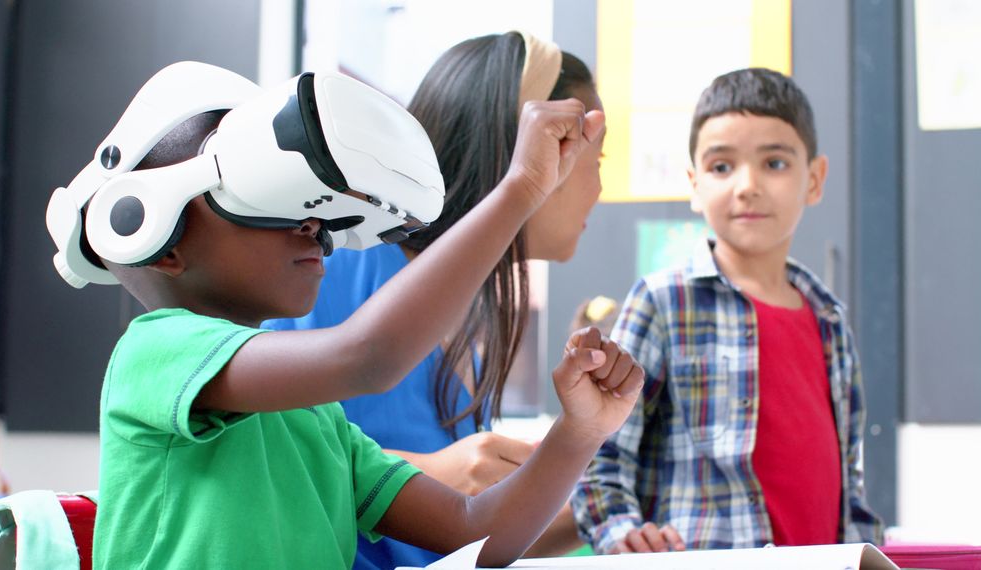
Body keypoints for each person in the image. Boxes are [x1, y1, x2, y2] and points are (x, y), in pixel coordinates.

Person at [46, 61, 643, 569]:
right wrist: (521, 189)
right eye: (266, 200)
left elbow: (474, 530)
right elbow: (368, 357)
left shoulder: (319, 422)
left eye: (315, 207)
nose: (313, 225)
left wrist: (580, 432)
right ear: (160, 238)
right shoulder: (157, 352)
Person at [264, 31, 604, 569]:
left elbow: (467, 532)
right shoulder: (330, 272)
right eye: (596, 158)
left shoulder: (472, 328)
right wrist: (422, 473)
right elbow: (257, 457)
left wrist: (616, 505)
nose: (600, 188)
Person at [572, 68, 884, 553]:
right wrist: (620, 534)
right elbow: (598, 451)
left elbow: (849, 479)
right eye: (721, 167)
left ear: (815, 180)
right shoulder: (662, 302)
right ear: (694, 184)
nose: (747, 186)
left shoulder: (830, 320)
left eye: (774, 163)